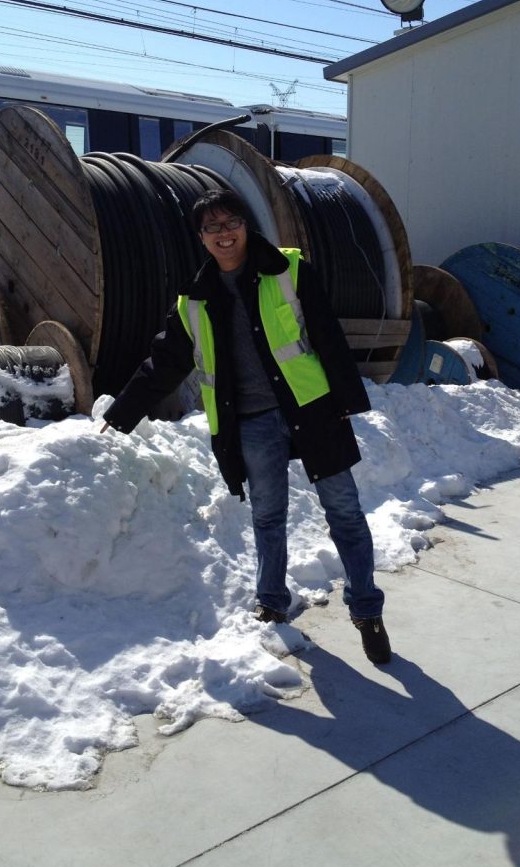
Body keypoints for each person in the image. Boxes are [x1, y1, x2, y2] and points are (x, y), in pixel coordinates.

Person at [101, 188, 391, 665]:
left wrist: (345, 404)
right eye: (212, 227)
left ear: (245, 225)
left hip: (312, 409)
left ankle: (367, 611)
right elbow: (165, 360)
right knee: (267, 515)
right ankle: (272, 603)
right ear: (202, 238)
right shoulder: (194, 300)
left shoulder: (289, 271)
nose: (223, 234)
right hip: (251, 421)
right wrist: (122, 412)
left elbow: (327, 336)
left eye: (230, 222)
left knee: (344, 511)